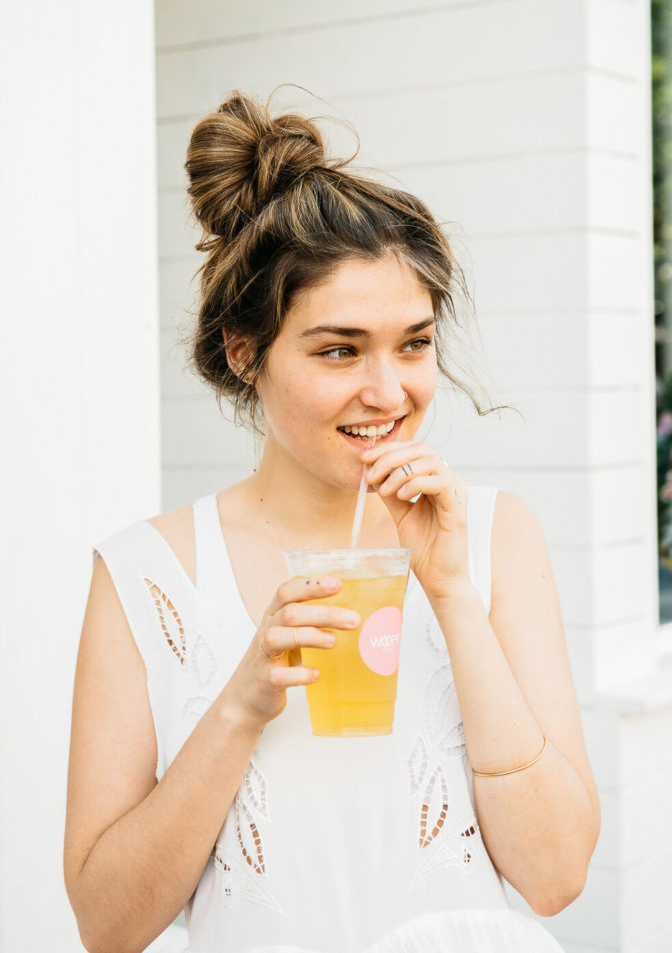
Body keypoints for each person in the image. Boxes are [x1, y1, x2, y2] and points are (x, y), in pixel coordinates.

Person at [64, 86, 600, 953]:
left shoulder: (496, 536)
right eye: (338, 349)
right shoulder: (144, 574)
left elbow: (556, 876)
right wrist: (241, 701)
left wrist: (453, 596)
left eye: (414, 344)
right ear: (245, 351)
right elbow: (106, 924)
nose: (388, 394)